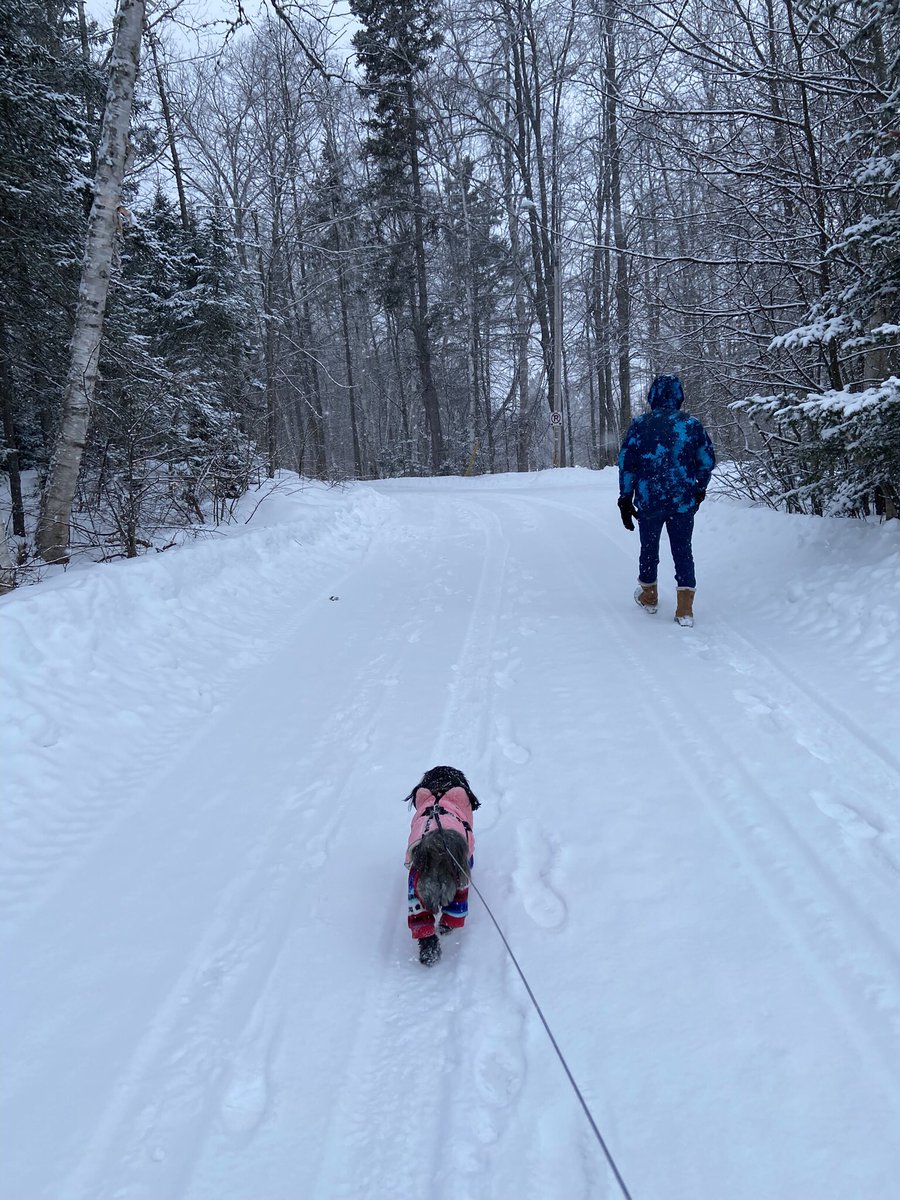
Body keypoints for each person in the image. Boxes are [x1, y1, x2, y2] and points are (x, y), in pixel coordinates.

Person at [617, 375, 715, 627]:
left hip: (650, 500)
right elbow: (706, 460)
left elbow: (627, 464)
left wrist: (625, 498)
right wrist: (699, 489)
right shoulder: (692, 425)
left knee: (649, 547)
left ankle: (649, 596)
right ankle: (684, 609)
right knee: (683, 550)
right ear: (678, 396)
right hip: (682, 500)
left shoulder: (640, 425)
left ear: (652, 396)